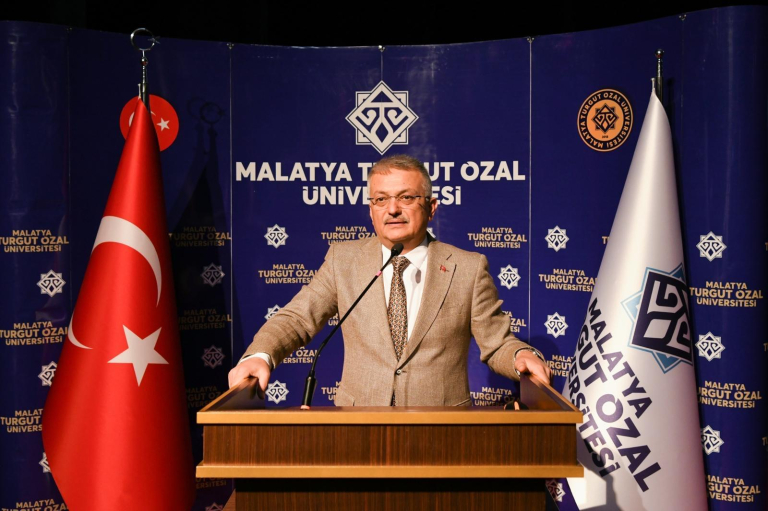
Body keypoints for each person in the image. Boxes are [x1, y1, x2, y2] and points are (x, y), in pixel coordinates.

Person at [228, 155, 551, 405]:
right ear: (371, 210)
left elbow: (497, 343)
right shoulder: (344, 260)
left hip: (442, 429)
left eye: (406, 197)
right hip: (357, 425)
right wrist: (260, 355)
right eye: (381, 199)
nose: (392, 209)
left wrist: (521, 356)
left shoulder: (467, 268)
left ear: (431, 207)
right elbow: (297, 319)